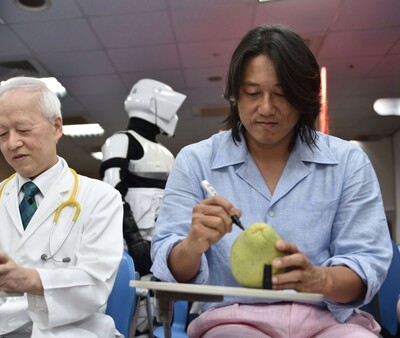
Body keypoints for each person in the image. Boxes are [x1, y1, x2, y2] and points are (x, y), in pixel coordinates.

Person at [150, 24, 393, 338]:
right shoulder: (195, 162)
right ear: (234, 95)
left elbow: (366, 264)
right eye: (252, 93)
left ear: (304, 98)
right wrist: (192, 245)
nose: (266, 108)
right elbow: (169, 268)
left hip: (328, 320)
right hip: (233, 320)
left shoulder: (347, 162)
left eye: (281, 94)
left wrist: (319, 279)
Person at [0, 76, 124, 338]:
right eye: (2, 133)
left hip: (70, 330)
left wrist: (31, 280)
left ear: (56, 127)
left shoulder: (101, 197)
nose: (12, 143)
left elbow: (96, 284)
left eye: (24, 130)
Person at [99, 78, 186, 277]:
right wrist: (134, 239)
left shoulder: (165, 152)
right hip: (128, 244)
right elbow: (113, 194)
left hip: (161, 241)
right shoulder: (120, 141)